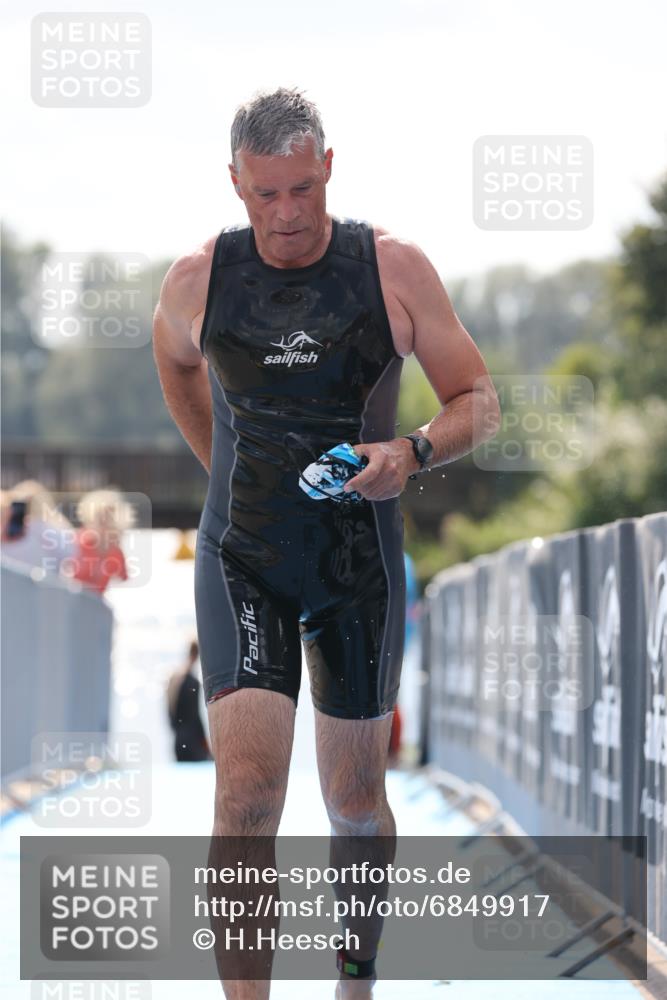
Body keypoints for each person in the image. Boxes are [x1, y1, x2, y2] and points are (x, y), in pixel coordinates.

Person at [152, 86, 500, 999]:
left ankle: (355, 975)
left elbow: (479, 400)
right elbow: (176, 364)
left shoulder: (390, 267)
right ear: (235, 182)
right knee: (247, 798)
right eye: (265, 195)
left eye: (301, 190)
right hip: (245, 557)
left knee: (351, 803)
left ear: (329, 169)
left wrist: (412, 449)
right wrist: (222, 467)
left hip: (357, 567)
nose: (287, 214)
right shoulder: (197, 278)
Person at [63, 489, 132, 595]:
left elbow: (123, 580)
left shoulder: (116, 551)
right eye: (101, 519)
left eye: (111, 518)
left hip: (96, 605)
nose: (106, 523)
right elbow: (65, 577)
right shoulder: (79, 542)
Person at [166, 638, 212, 762]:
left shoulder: (174, 679)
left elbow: (170, 714)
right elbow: (195, 716)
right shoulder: (192, 682)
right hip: (192, 742)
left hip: (178, 740)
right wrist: (205, 743)